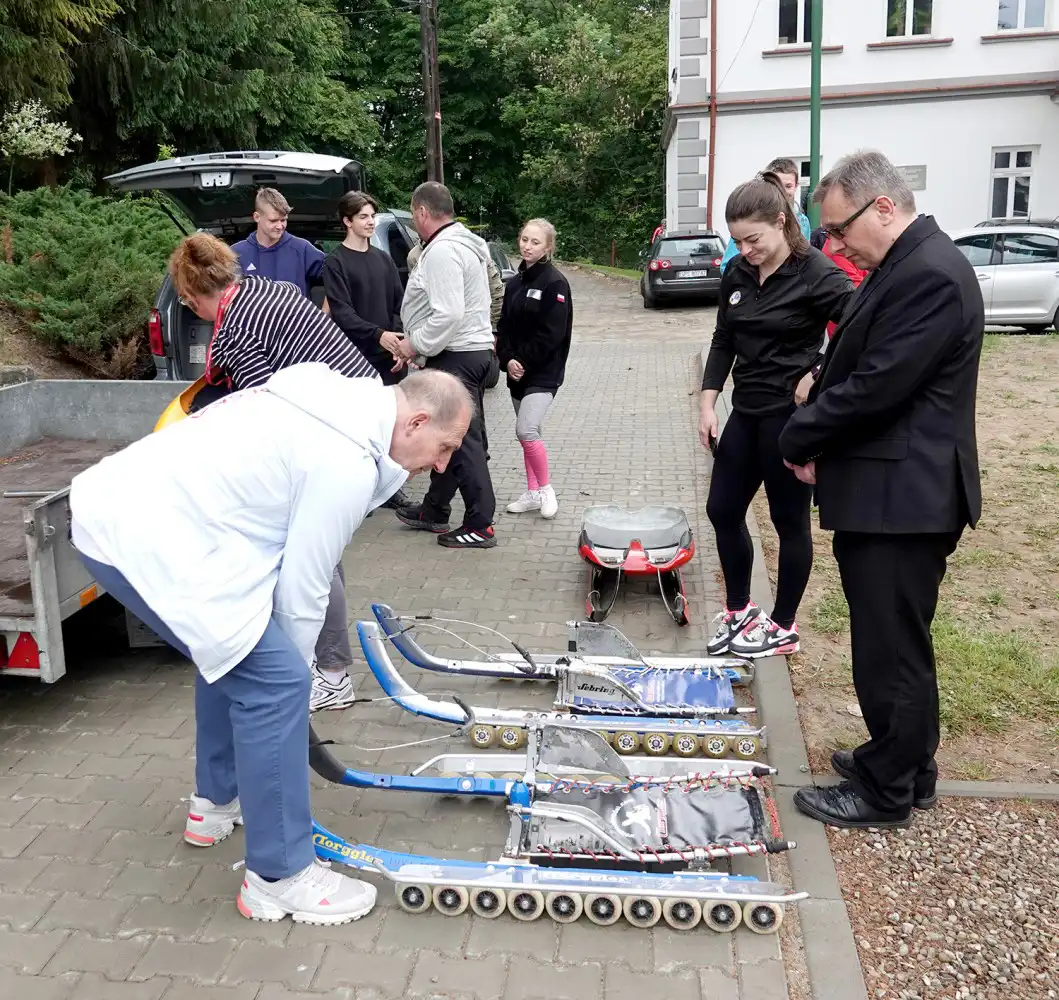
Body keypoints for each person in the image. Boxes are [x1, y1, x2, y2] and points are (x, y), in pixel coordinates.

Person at [69, 363, 473, 923]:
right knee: (275, 679)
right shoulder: (346, 460)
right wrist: (295, 682)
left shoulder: (336, 395)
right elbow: (306, 586)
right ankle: (280, 877)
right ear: (417, 422)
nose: (443, 464)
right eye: (445, 446)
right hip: (146, 532)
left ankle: (215, 804)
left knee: (234, 648)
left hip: (125, 509)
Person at [778, 150, 983, 829]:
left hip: (904, 498)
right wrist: (818, 373)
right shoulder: (904, 264)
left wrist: (799, 436)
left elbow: (877, 388)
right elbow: (856, 350)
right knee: (897, 641)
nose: (835, 246)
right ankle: (908, 765)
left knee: (888, 650)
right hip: (891, 490)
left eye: (840, 229)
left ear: (884, 207)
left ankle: (885, 791)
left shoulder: (930, 275)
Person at [167, 232, 378, 713]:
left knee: (312, 558)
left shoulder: (237, 328)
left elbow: (265, 416)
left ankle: (332, 676)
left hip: (340, 435)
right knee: (320, 552)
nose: (192, 310)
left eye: (187, 301)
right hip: (362, 413)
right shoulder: (269, 289)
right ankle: (324, 666)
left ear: (194, 294)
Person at [699, 172, 853, 659]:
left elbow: (861, 328)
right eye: (738, 241)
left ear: (781, 223)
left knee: (789, 523)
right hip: (745, 412)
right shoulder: (737, 273)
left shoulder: (816, 273)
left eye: (754, 239)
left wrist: (819, 372)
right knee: (722, 510)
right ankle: (740, 609)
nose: (745, 250)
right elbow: (724, 338)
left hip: (791, 419)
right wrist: (708, 402)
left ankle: (783, 625)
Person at [391, 181, 498, 550]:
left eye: (413, 213)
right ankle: (435, 509)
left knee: (462, 441)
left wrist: (414, 344)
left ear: (422, 212)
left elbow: (448, 313)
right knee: (450, 435)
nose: (414, 220)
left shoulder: (442, 251)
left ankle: (480, 524)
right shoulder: (464, 244)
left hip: (457, 356)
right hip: (471, 352)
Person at [496, 218, 572, 519]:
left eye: (535, 242)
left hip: (543, 373)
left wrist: (523, 361)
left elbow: (553, 334)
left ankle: (546, 490)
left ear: (548, 247)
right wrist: (507, 360)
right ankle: (532, 492)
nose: (527, 246)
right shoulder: (514, 284)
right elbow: (503, 328)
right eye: (524, 239)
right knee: (529, 434)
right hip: (516, 373)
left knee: (526, 429)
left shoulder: (555, 283)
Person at [323, 191, 408, 386]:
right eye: (363, 217)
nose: (371, 222)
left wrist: (397, 344)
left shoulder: (384, 259)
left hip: (390, 359)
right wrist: (378, 334)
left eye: (372, 216)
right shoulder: (335, 262)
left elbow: (400, 304)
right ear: (347, 221)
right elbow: (343, 314)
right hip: (354, 360)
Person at [719, 158, 811, 273]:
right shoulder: (752, 220)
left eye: (788, 186)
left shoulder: (803, 222)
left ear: (796, 186)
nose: (782, 191)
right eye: (777, 186)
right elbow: (727, 267)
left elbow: (804, 259)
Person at [231, 188, 326, 298]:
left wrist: (324, 308)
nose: (280, 226)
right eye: (273, 221)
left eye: (283, 220)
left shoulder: (302, 249)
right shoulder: (235, 254)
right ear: (257, 217)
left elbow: (336, 276)